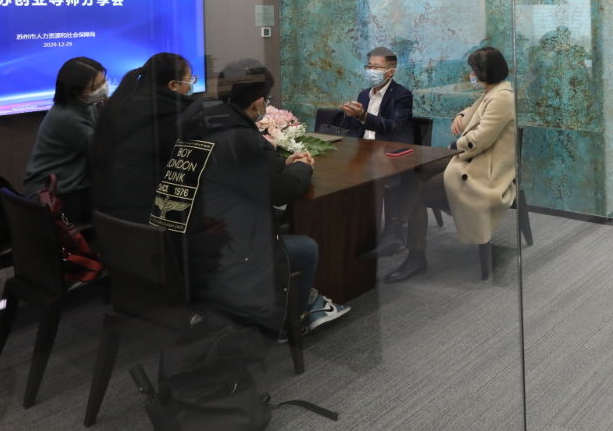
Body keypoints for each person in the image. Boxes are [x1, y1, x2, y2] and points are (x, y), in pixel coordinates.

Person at [172, 59, 349, 338]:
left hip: (188, 239)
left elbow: (244, 176)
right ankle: (290, 321)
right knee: (306, 248)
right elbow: (284, 190)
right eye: (266, 100)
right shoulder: (242, 138)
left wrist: (281, 166)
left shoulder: (197, 122)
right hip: (225, 249)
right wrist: (303, 166)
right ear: (258, 103)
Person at [377, 46, 516, 283]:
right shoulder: (492, 93)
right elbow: (475, 111)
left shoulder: (502, 98)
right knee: (414, 171)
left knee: (417, 193)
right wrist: (461, 115)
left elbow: (478, 139)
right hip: (469, 160)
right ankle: (394, 230)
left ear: (484, 73)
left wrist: (453, 146)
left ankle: (415, 256)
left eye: (473, 70)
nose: (470, 75)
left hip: (482, 172)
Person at [90, 52, 196, 223]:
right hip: (145, 216)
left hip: (109, 213)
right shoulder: (170, 114)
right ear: (173, 85)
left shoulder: (122, 103)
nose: (191, 84)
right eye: (190, 79)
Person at [23, 56, 107, 222]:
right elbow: (103, 150)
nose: (103, 89)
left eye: (104, 82)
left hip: (69, 187)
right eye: (95, 87)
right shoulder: (69, 117)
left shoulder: (84, 105)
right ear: (76, 92)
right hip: (55, 195)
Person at [329, 46, 414, 144]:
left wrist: (363, 116)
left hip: (385, 148)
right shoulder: (363, 95)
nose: (371, 71)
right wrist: (351, 146)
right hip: (361, 147)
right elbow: (355, 129)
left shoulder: (402, 94)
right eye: (369, 67)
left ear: (391, 71)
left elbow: (395, 127)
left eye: (377, 67)